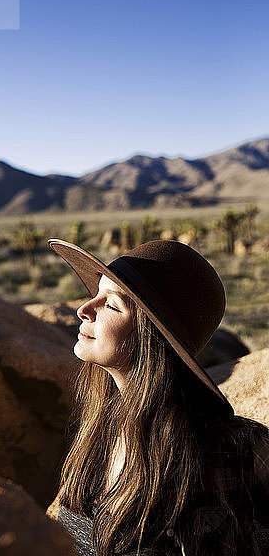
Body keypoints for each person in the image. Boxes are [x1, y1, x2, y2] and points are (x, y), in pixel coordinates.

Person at [47, 238, 269, 556]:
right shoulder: (98, 430)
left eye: (111, 304)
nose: (84, 309)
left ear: (151, 337)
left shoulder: (237, 451)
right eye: (95, 294)